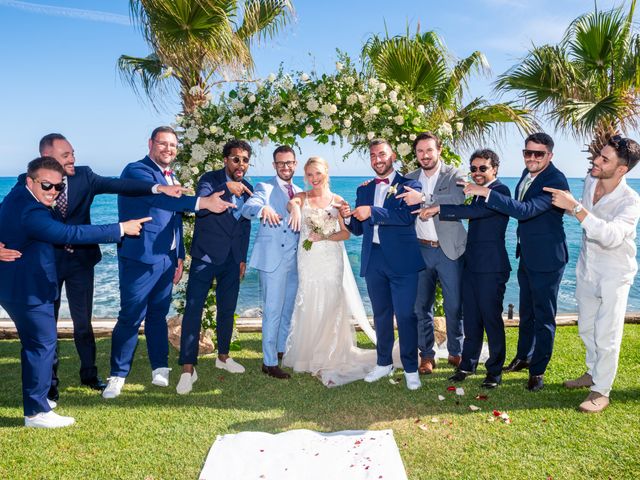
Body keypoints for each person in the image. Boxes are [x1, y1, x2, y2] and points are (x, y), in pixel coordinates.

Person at [6, 133, 186, 401]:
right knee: (48, 325)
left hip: (81, 262)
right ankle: (50, 385)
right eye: (66, 155)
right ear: (46, 159)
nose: (73, 159)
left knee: (83, 323)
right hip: (48, 265)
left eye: (73, 153)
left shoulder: (85, 176)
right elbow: (7, 212)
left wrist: (157, 188)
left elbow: (120, 184)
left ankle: (90, 375)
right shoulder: (29, 183)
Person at [0, 156, 150, 427]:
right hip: (29, 289)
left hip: (16, 285)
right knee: (41, 346)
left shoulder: (18, 194)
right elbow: (69, 234)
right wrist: (120, 228)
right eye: (47, 186)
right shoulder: (31, 212)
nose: (53, 193)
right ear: (30, 180)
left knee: (37, 346)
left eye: (58, 187)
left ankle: (40, 401)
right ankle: (36, 412)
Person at [103, 127, 234, 399]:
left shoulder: (170, 175)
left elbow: (173, 219)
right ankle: (117, 375)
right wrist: (204, 202)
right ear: (150, 143)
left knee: (157, 315)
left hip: (166, 258)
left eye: (173, 145)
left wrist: (179, 256)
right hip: (140, 257)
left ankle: (160, 366)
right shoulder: (136, 171)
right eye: (163, 144)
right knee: (131, 316)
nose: (168, 149)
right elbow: (160, 200)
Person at [462, 132, 569, 391]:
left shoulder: (555, 180)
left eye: (538, 153)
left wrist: (484, 192)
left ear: (550, 155)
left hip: (548, 258)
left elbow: (525, 211)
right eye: (527, 152)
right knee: (527, 312)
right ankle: (523, 356)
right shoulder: (526, 174)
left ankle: (538, 370)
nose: (532, 158)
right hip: (528, 255)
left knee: (544, 316)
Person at [544, 135, 640, 412]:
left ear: (622, 169)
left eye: (604, 159)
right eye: (599, 155)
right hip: (587, 268)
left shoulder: (630, 202)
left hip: (615, 273)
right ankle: (591, 372)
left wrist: (575, 207)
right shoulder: (589, 181)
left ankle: (601, 390)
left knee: (608, 334)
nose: (596, 161)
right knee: (586, 326)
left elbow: (610, 236)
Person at [415, 149, 511, 388]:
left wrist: (439, 208)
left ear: (495, 169)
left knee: (491, 320)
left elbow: (474, 212)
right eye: (474, 168)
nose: (477, 173)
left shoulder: (499, 192)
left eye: (483, 168)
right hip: (471, 264)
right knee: (472, 320)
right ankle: (467, 364)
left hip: (492, 267)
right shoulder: (478, 194)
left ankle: (494, 371)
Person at [337, 139, 424, 390]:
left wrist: (372, 211)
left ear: (393, 155)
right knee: (382, 315)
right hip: (374, 258)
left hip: (403, 260)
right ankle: (383, 362)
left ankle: (410, 367)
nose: (378, 159)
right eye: (373, 155)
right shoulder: (364, 189)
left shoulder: (410, 184)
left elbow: (406, 217)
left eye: (382, 154)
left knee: (406, 315)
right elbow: (357, 229)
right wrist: (346, 215)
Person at [284, 157, 378, 387]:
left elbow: (346, 234)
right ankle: (309, 354)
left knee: (331, 301)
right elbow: (291, 203)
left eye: (317, 173)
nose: (314, 179)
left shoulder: (338, 201)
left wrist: (325, 236)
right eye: (309, 175)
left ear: (326, 172)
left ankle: (330, 354)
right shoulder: (302, 197)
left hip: (331, 257)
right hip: (308, 258)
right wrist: (295, 209)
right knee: (309, 299)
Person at [176, 140, 254, 394]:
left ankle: (223, 357)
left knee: (227, 308)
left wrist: (241, 257)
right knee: (193, 309)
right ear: (225, 160)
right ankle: (188, 367)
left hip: (232, 260)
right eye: (235, 159)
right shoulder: (210, 180)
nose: (240, 164)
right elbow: (201, 205)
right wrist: (226, 187)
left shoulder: (249, 188)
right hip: (206, 257)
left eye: (244, 160)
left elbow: (244, 228)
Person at [397, 131, 467, 373]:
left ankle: (456, 352)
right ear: (415, 154)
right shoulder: (409, 178)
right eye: (420, 151)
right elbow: (397, 206)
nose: (425, 155)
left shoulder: (455, 174)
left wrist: (424, 197)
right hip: (420, 250)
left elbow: (458, 198)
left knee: (455, 305)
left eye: (429, 150)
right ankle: (426, 355)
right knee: (420, 306)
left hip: (450, 251)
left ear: (439, 150)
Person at [241, 145, 302, 380]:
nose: (285, 167)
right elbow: (248, 208)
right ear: (274, 165)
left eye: (289, 163)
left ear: (295, 164)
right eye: (280, 163)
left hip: (294, 261)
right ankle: (268, 363)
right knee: (273, 311)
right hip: (273, 260)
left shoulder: (298, 191)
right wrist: (263, 208)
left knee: (287, 311)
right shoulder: (264, 187)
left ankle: (280, 351)